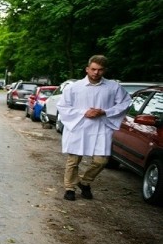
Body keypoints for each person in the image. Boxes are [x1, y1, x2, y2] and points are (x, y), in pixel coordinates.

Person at [56, 55, 130, 201]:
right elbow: (63, 106)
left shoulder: (113, 87)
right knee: (73, 160)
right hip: (79, 127)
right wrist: (84, 112)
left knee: (101, 161)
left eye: (100, 70)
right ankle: (69, 188)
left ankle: (85, 182)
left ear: (105, 70)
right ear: (87, 69)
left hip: (101, 128)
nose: (96, 73)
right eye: (93, 69)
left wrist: (105, 112)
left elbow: (125, 103)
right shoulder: (74, 87)